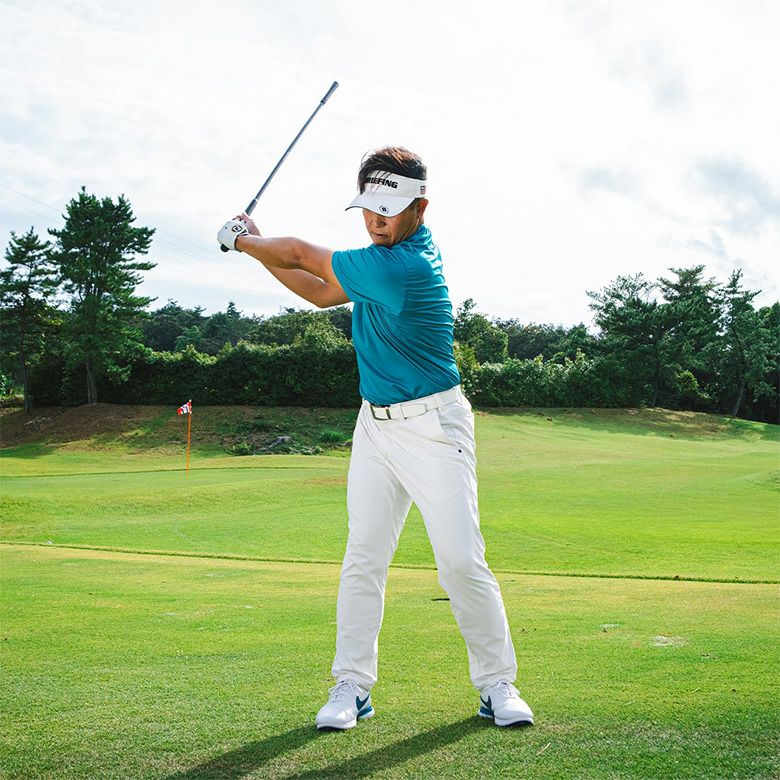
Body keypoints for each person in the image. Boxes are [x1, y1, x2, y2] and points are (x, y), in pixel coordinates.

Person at [218, 146, 533, 730]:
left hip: (434, 428)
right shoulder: (376, 262)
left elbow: (300, 255)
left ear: (420, 208)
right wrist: (255, 246)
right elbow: (318, 291)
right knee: (363, 558)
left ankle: (497, 684)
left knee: (461, 561)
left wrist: (242, 242)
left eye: (388, 210)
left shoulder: (405, 267)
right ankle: (351, 685)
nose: (375, 221)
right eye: (368, 208)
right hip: (374, 426)